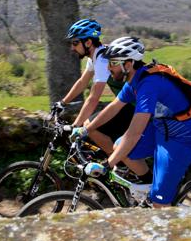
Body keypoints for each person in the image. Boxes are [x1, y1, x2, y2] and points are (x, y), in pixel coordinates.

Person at [79, 36, 191, 208]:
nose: (109, 68)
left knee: (160, 205)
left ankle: (163, 200)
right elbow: (114, 107)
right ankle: (149, 185)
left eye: (113, 62)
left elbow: (134, 133)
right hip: (162, 128)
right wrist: (86, 129)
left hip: (182, 139)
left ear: (129, 64)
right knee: (120, 148)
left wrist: (107, 165)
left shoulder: (149, 85)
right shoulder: (135, 80)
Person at [52, 19, 134, 155]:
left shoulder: (102, 60)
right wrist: (62, 102)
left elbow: (93, 98)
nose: (72, 48)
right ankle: (117, 158)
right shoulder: (95, 57)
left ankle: (117, 165)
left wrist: (75, 126)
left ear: (88, 42)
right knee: (90, 124)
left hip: (135, 105)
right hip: (127, 103)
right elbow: (82, 82)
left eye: (75, 42)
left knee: (90, 127)